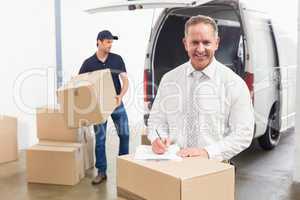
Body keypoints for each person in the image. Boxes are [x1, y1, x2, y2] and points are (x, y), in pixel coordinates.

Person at [148, 15, 254, 161]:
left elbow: (243, 134)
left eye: (206, 42)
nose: (200, 49)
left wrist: (207, 152)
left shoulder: (234, 84)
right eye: (195, 42)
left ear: (216, 43)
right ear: (185, 43)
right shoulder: (169, 79)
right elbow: (156, 120)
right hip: (173, 164)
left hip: (213, 168)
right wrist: (158, 138)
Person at [79, 30, 129, 185]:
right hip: (99, 107)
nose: (110, 45)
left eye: (111, 42)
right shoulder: (89, 63)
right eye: (107, 42)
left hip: (116, 103)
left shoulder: (117, 59)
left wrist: (120, 96)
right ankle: (101, 172)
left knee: (125, 134)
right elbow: (80, 84)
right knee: (100, 139)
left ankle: (125, 166)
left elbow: (125, 80)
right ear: (99, 42)